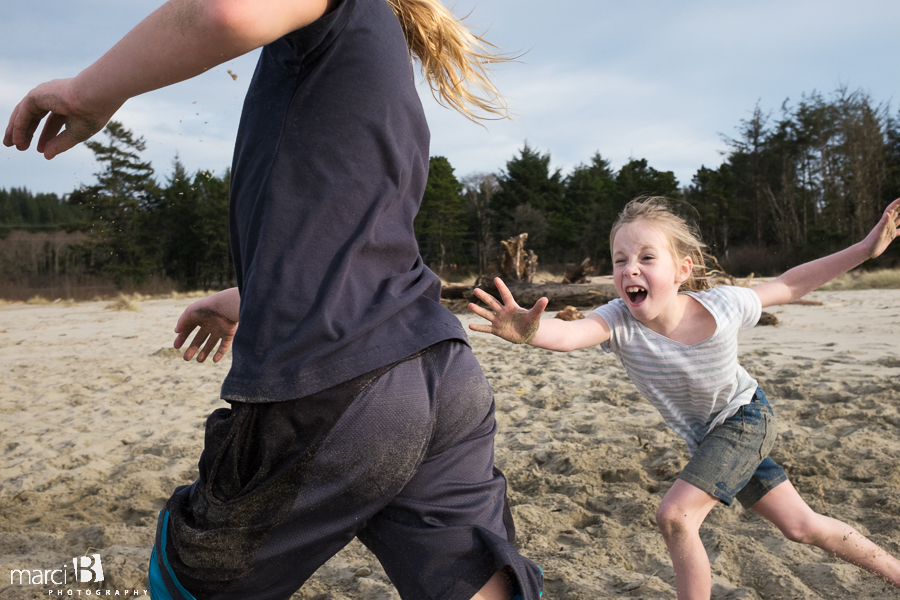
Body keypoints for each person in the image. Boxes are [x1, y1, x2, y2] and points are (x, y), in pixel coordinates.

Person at [4, 0, 544, 599]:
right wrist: (252, 295)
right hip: (442, 369)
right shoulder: (375, 43)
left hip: (333, 382)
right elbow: (354, 233)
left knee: (184, 582)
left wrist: (86, 93)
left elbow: (224, 13)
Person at [468, 196, 900, 599]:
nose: (630, 269)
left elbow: (789, 285)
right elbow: (571, 333)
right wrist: (531, 332)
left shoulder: (723, 305)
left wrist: (865, 248)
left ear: (682, 270)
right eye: (620, 260)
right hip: (710, 439)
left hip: (745, 418)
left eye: (646, 258)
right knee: (802, 526)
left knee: (676, 516)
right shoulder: (618, 319)